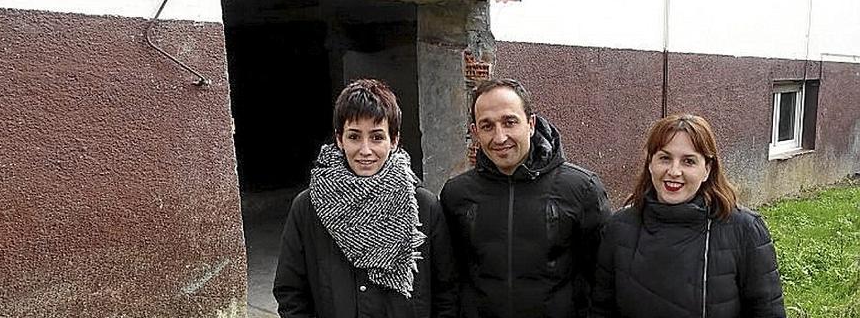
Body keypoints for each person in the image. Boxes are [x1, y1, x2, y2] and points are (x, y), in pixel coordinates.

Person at [273, 78, 458, 318]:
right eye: (354, 136)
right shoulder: (309, 207)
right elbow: (290, 292)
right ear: (339, 139)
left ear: (394, 140)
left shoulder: (423, 206)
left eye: (377, 137)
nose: (365, 150)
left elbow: (446, 291)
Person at [440, 78, 611, 318]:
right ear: (475, 132)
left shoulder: (582, 189)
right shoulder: (456, 194)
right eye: (487, 126)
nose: (500, 137)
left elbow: (603, 279)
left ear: (530, 124)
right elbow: (449, 279)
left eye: (509, 122)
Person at [590, 114, 786, 318]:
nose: (674, 171)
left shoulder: (744, 229)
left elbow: (767, 311)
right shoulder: (618, 228)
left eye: (688, 161)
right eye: (665, 158)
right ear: (650, 163)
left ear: (707, 170)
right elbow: (601, 310)